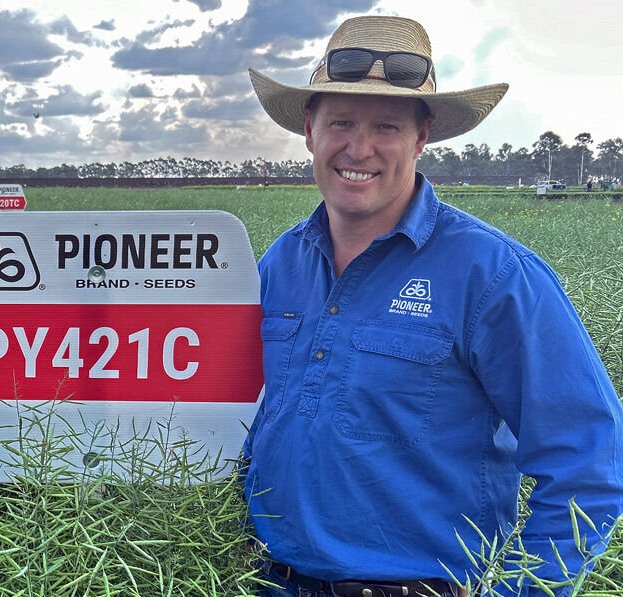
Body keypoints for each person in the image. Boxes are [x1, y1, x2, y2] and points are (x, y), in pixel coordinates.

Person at [244, 16, 623, 597]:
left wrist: (521, 591)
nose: (358, 148)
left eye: (386, 127)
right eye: (340, 121)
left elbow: (589, 464)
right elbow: (242, 418)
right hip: (268, 582)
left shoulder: (492, 274)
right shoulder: (279, 265)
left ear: (421, 138)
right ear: (309, 129)